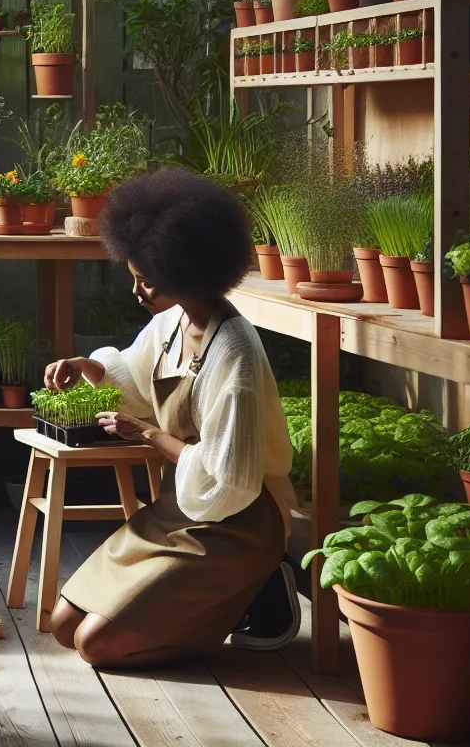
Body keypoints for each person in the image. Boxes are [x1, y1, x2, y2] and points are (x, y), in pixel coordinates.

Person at [44, 167, 299, 668]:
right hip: (183, 507)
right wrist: (86, 366)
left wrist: (151, 435)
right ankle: (235, 595)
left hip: (238, 524)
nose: (137, 292)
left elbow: (231, 483)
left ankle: (256, 587)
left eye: (147, 281)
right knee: (62, 627)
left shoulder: (236, 355)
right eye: (135, 277)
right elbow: (137, 383)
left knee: (95, 647)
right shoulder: (171, 321)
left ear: (187, 273)